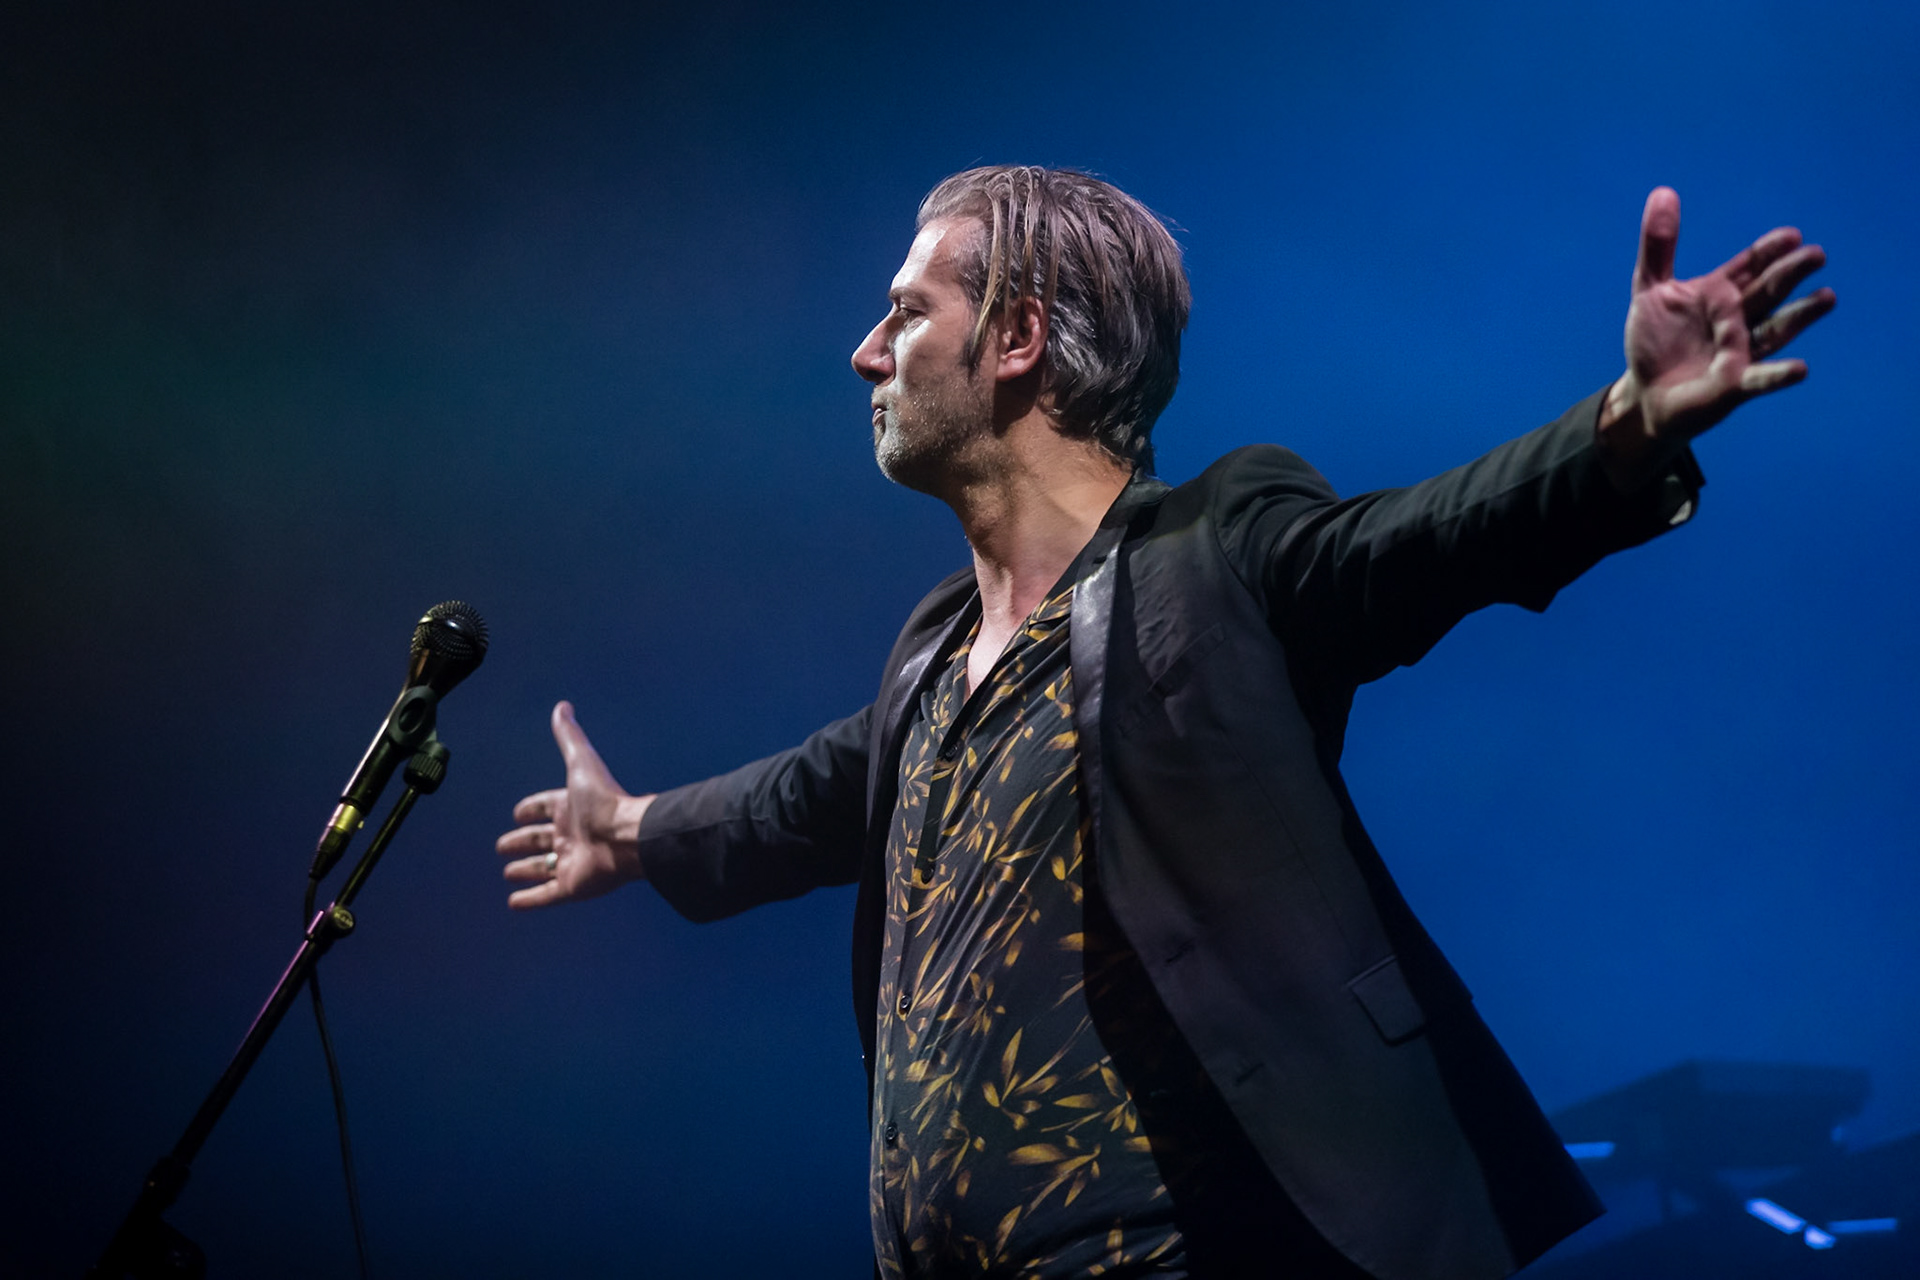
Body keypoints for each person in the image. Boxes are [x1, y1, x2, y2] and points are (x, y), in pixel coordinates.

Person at [494, 167, 1832, 1279]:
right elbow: (805, 796)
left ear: (1017, 338)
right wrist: (631, 830)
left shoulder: (1214, 548)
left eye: (904, 312)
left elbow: (1421, 543)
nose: (865, 352)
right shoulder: (932, 657)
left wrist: (1623, 428)